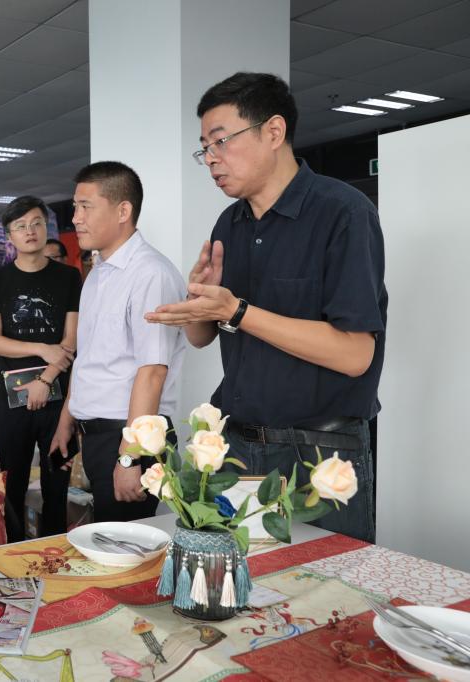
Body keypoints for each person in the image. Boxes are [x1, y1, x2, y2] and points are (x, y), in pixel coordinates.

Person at [145, 72, 386, 544]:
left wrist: (237, 310)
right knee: (232, 582)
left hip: (318, 453)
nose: (211, 159)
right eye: (203, 148)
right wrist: (201, 305)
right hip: (237, 446)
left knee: (323, 586)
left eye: (221, 141)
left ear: (274, 131)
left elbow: (355, 354)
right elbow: (204, 337)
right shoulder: (229, 223)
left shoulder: (343, 212)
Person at [49, 161, 187, 523]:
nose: (75, 218)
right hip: (99, 436)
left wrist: (129, 457)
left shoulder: (150, 273)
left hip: (130, 439)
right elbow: (89, 356)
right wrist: (68, 417)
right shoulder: (98, 273)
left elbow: (153, 371)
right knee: (106, 540)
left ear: (123, 211)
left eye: (85, 207)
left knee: (125, 547)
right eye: (75, 207)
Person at [0, 196, 81, 540]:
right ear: (10, 236)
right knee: (13, 485)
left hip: (57, 400)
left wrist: (46, 378)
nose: (30, 231)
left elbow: (71, 340)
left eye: (36, 223)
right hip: (11, 399)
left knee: (57, 484)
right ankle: (11, 553)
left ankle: (56, 554)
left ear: (46, 227)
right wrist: (41, 348)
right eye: (20, 226)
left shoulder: (69, 277)